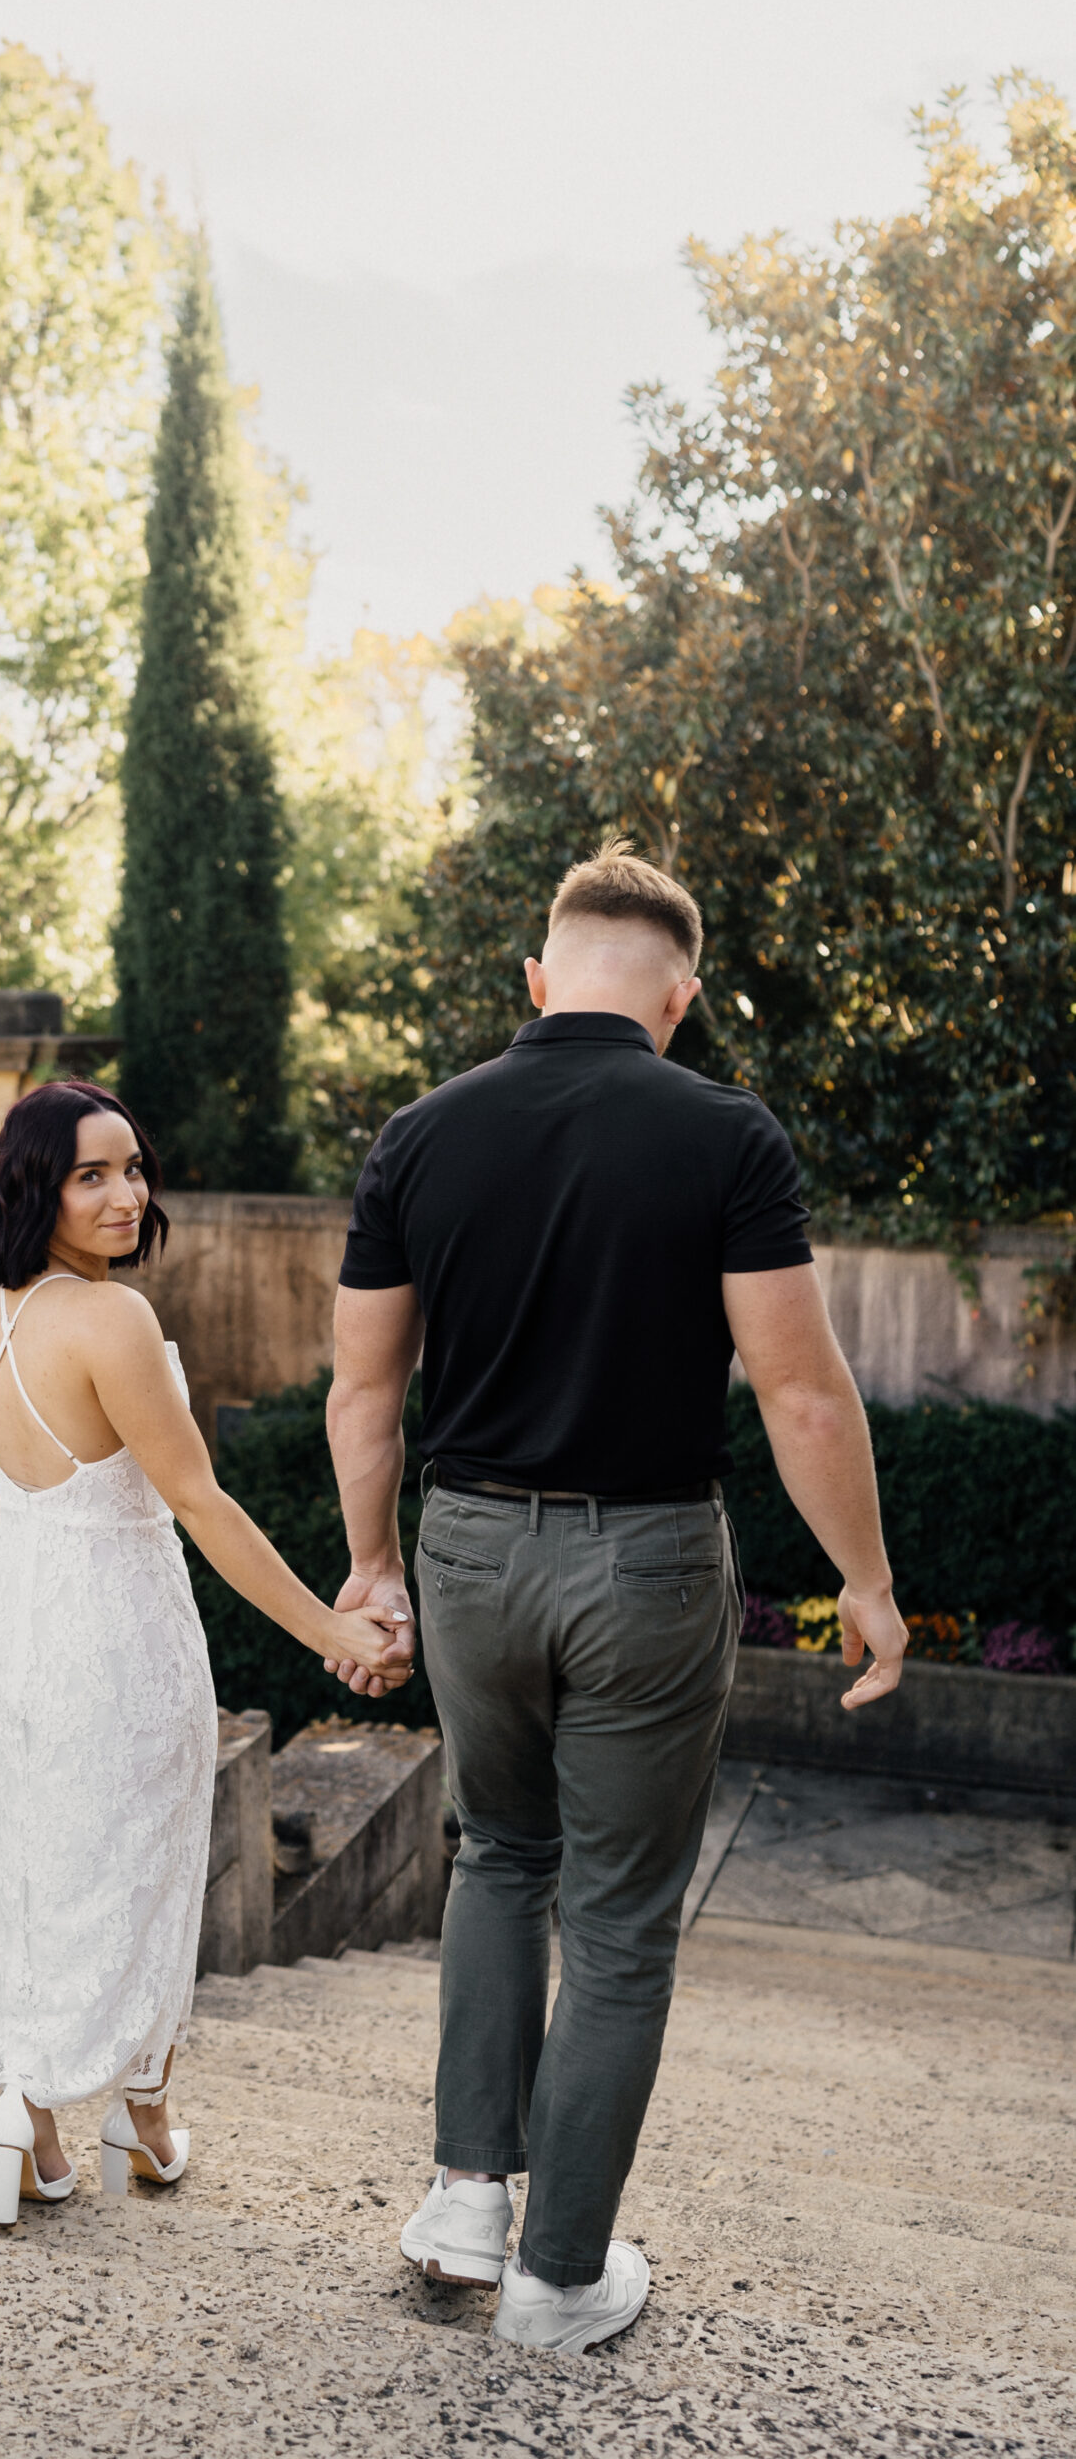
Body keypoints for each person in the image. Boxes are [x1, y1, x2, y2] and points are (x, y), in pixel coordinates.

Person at [324, 840, 908, 2354]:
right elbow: (800, 1394)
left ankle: (464, 2199)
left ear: (537, 977)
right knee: (622, 1921)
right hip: (644, 1562)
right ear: (681, 995)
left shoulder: (418, 1134)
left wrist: (371, 1567)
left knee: (495, 1857)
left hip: (463, 1552)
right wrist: (864, 1581)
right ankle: (559, 2275)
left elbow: (360, 1393)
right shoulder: (723, 1136)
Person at [0, 1078, 410, 2226]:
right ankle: (138, 2117)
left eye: (134, 1168)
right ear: (34, 1184)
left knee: (35, 1867)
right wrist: (332, 1629)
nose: (124, 1193)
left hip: (14, 1629)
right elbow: (199, 1502)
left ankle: (26, 2118)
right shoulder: (113, 1321)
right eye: (90, 1173)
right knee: (141, 1873)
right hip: (115, 1630)